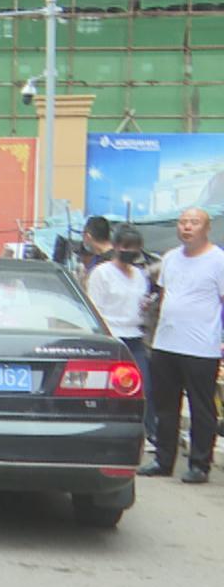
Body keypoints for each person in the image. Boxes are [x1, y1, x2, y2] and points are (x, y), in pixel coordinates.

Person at [137, 207, 224, 484]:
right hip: (166, 344)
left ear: (206, 228)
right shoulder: (171, 258)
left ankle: (200, 464)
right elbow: (165, 294)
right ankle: (163, 460)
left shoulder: (218, 260)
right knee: (165, 406)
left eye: (194, 222)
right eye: (183, 222)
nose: (187, 227)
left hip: (201, 347)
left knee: (201, 408)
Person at [89, 225, 158, 447]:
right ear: (116, 246)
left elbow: (141, 302)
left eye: (135, 248)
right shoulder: (101, 273)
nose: (131, 252)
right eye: (127, 247)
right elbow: (94, 307)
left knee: (144, 386)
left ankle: (147, 432)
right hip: (111, 336)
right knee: (110, 388)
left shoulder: (139, 275)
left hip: (135, 336)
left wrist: (146, 306)